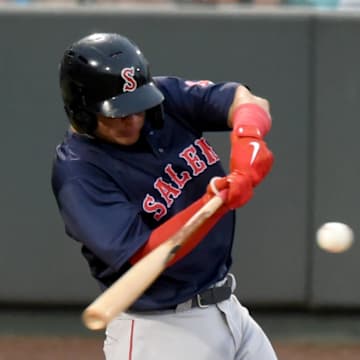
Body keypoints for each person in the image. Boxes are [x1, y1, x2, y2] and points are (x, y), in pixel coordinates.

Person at [51, 32, 277, 360]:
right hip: (160, 332)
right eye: (118, 114)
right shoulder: (78, 173)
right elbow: (145, 254)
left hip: (229, 308)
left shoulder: (158, 97)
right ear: (82, 113)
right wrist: (213, 205)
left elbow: (247, 101)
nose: (133, 119)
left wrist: (248, 138)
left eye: (138, 108)